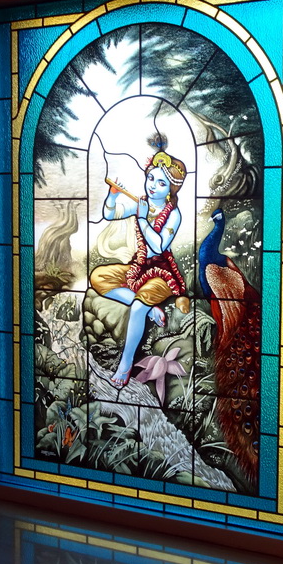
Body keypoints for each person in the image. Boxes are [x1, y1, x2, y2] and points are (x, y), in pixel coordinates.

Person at [89, 148, 190, 387]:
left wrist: (143, 219)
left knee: (136, 308)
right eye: (151, 178)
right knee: (99, 276)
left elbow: (158, 246)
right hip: (139, 266)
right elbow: (109, 214)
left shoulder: (173, 215)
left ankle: (125, 365)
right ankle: (151, 309)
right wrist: (113, 196)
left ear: (170, 191)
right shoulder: (141, 205)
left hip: (162, 274)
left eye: (161, 183)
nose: (152, 186)